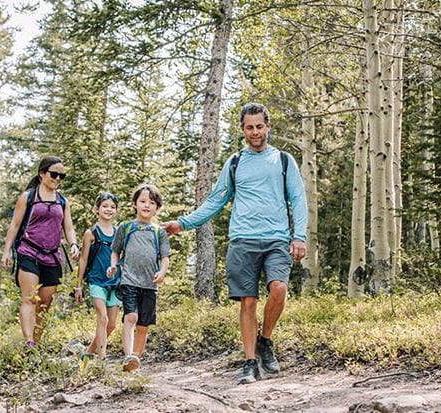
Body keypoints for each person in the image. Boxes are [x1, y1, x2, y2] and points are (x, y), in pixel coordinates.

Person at [163, 102, 308, 384]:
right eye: (249, 127)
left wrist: (299, 235)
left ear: (268, 126)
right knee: (248, 301)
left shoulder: (283, 160)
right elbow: (215, 201)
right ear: (242, 129)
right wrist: (183, 223)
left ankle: (265, 340)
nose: (255, 132)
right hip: (243, 240)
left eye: (259, 126)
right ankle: (250, 362)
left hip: (277, 238)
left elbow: (298, 199)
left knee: (279, 289)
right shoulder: (235, 162)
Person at [1, 156, 80, 348]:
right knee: (29, 299)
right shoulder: (28, 197)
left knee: (45, 303)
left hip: (52, 256)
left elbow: (68, 227)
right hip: (28, 251)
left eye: (62, 176)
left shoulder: (63, 202)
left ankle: (36, 344)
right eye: (54, 174)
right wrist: (7, 251)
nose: (58, 179)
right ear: (42, 174)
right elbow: (15, 225)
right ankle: (29, 342)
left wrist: (73, 244)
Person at [107, 184, 171, 372]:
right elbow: (115, 251)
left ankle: (135, 361)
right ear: (134, 204)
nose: (146, 205)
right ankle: (128, 356)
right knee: (131, 316)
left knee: (143, 325)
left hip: (150, 284)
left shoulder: (159, 231)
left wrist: (162, 272)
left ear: (157, 207)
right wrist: (113, 266)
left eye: (151, 203)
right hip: (129, 281)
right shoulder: (126, 227)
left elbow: (165, 257)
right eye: (142, 201)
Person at [74, 192, 121, 359]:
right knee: (102, 318)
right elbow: (83, 259)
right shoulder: (91, 233)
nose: (109, 209)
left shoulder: (119, 232)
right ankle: (102, 359)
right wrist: (78, 285)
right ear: (97, 209)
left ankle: (88, 353)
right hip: (96, 280)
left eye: (112, 207)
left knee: (112, 324)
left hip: (115, 282)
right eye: (105, 206)